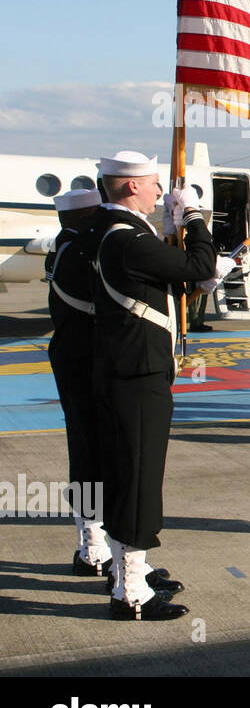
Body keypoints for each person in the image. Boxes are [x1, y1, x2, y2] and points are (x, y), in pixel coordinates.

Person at [92, 150, 229, 620]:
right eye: (152, 184)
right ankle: (130, 595)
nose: (157, 192)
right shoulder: (126, 239)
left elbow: (176, 274)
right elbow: (197, 265)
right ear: (130, 186)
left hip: (127, 372)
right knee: (138, 479)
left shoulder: (121, 235)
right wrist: (193, 215)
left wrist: (185, 249)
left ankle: (129, 572)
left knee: (127, 476)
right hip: (138, 376)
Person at [45, 188, 110, 575]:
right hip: (84, 360)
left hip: (73, 356)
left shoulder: (64, 246)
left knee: (86, 451)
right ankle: (93, 547)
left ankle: (92, 545)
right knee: (91, 452)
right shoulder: (80, 252)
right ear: (85, 218)